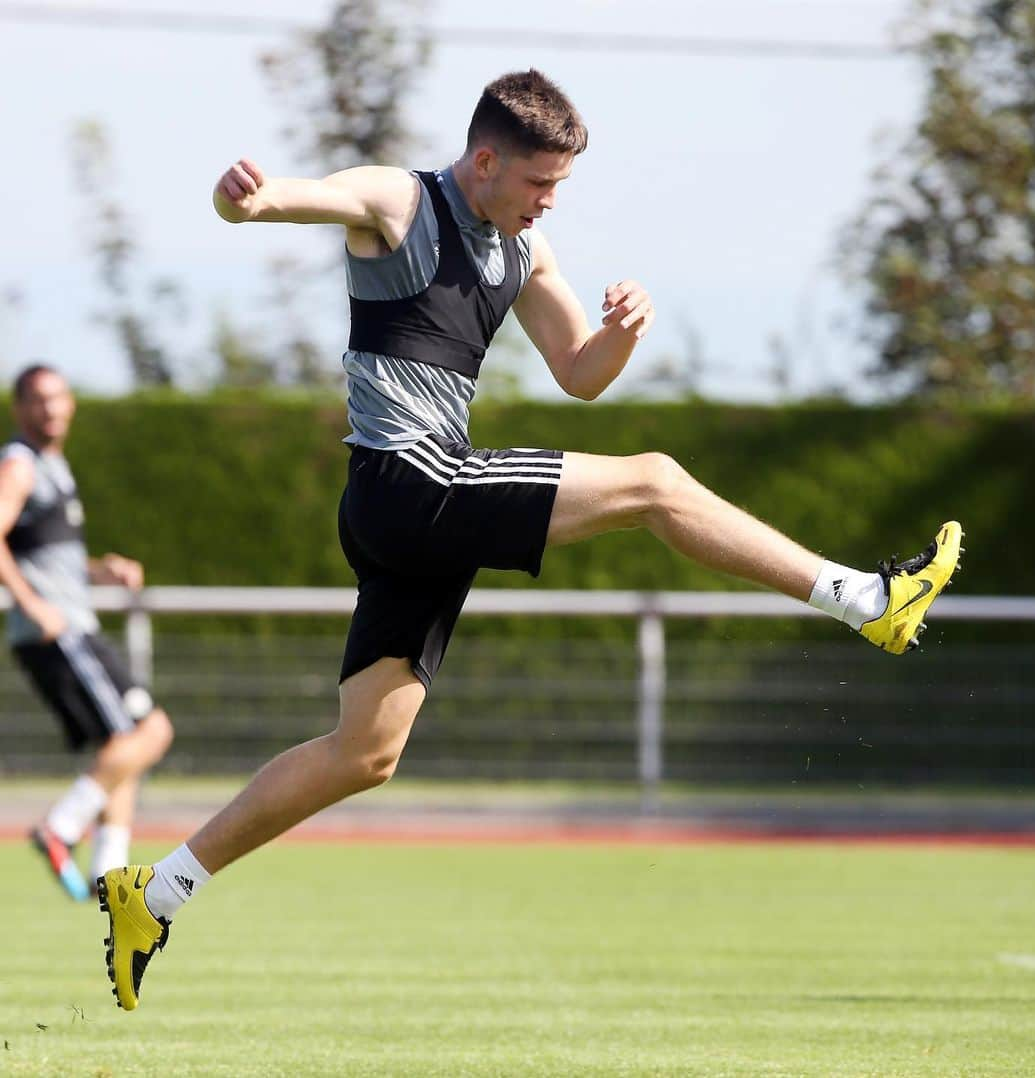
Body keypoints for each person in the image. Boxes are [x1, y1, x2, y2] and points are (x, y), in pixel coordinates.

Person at [97, 69, 962, 1010]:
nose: (551, 201)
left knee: (365, 754)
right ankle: (868, 602)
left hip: (404, 514)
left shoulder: (525, 251)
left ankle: (159, 889)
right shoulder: (403, 200)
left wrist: (625, 334)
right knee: (656, 483)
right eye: (541, 182)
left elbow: (580, 374)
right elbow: (303, 199)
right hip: (410, 480)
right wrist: (252, 199)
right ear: (484, 160)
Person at [0, 365, 174, 901]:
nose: (50, 409)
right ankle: (61, 828)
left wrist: (104, 569)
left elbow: (50, 559)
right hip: (58, 633)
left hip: (70, 627)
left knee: (122, 747)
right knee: (148, 733)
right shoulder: (20, 463)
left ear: (70, 403)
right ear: (20, 408)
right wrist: (34, 605)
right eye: (38, 400)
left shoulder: (55, 466)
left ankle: (110, 877)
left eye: (57, 398)